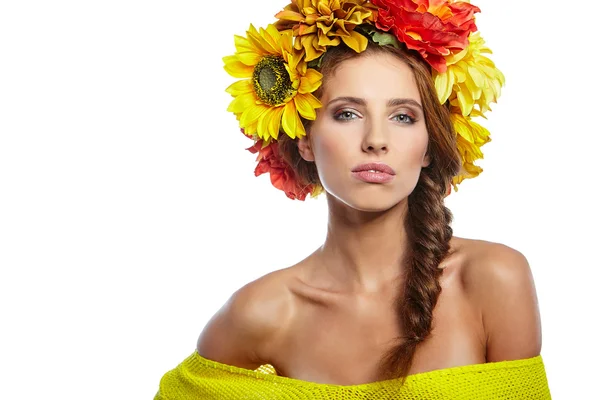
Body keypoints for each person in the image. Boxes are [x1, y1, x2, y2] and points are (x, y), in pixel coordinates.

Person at [154, 0, 551, 398]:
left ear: (429, 146)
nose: (376, 140)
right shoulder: (261, 313)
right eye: (347, 114)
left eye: (403, 117)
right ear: (305, 139)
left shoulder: (492, 279)